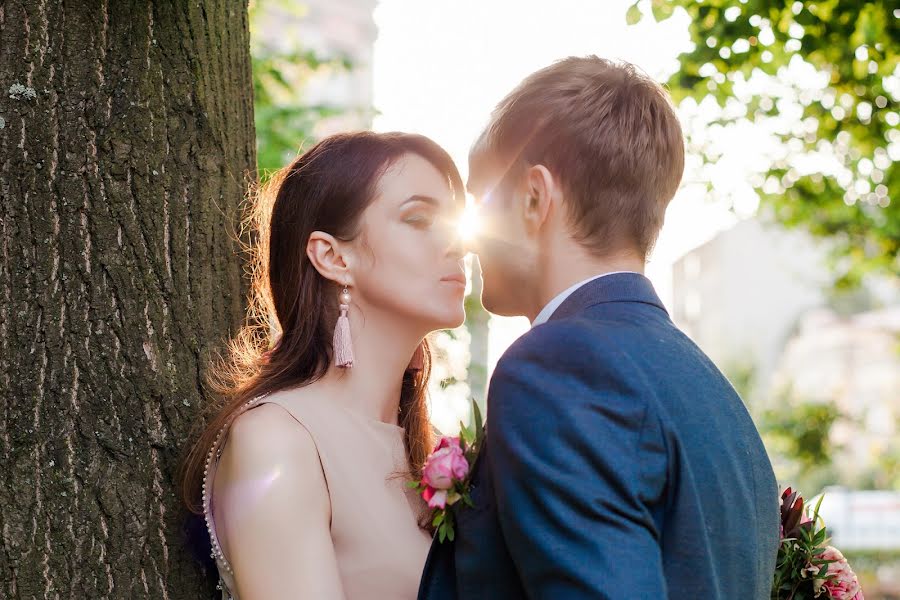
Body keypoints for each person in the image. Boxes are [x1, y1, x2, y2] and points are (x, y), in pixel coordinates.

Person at [418, 56, 779, 599]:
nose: (468, 238)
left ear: (535, 198)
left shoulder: (557, 366)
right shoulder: (714, 392)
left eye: (481, 202)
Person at [180, 131, 467, 599]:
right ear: (333, 257)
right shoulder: (277, 439)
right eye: (418, 218)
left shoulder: (431, 453)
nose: (459, 244)